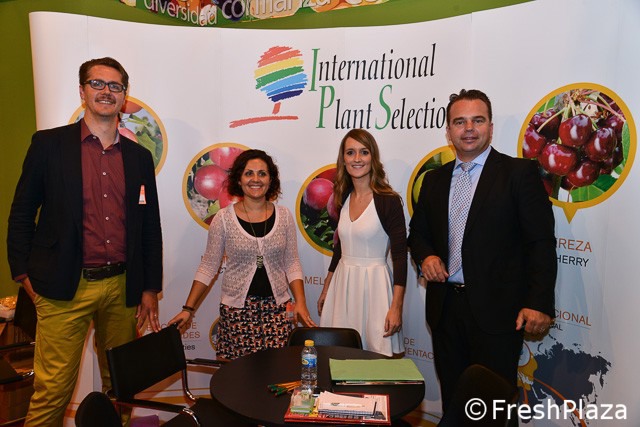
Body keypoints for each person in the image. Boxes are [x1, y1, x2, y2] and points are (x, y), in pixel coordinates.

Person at [7, 57, 163, 426]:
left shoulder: (139, 157)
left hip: (123, 288)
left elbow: (148, 225)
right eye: (97, 83)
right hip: (63, 287)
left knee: (121, 386)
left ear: (124, 96)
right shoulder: (48, 145)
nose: (106, 91)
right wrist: (23, 274)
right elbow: (22, 213)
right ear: (82, 91)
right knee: (53, 392)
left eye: (115, 86)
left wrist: (149, 287)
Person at [408, 89, 557, 412]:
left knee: (495, 406)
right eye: (459, 122)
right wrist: (426, 256)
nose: (469, 129)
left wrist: (539, 302)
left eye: (477, 120)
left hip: (498, 313)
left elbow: (540, 243)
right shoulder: (434, 180)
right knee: (455, 401)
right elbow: (417, 233)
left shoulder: (519, 174)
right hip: (445, 311)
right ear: (448, 131)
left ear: (490, 126)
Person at [170, 149, 316, 359]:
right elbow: (209, 266)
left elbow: (292, 262)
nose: (255, 179)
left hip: (277, 312)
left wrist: (300, 301)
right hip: (237, 313)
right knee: (236, 375)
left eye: (262, 173)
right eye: (249, 173)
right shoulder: (223, 219)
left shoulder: (284, 216)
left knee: (276, 373)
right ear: (239, 179)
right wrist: (188, 308)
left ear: (270, 180)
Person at [317, 129, 407, 357]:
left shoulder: (388, 201)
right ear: (343, 159)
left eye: (364, 152)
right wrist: (327, 288)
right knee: (340, 356)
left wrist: (396, 307)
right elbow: (339, 249)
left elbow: (399, 256)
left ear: (372, 157)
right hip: (342, 285)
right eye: (350, 152)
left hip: (375, 288)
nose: (357, 158)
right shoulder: (343, 197)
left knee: (374, 359)